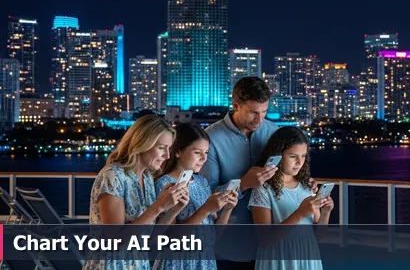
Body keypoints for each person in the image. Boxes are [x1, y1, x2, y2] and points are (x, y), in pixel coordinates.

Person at [84, 115, 190, 270]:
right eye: (161, 148)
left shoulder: (147, 178)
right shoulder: (113, 176)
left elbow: (150, 238)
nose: (167, 156)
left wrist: (174, 210)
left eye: (169, 149)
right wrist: (158, 207)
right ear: (141, 143)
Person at [200, 76, 287, 224]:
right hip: (230, 228)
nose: (260, 119)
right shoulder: (211, 138)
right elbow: (206, 195)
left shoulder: (273, 130)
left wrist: (302, 182)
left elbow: (286, 174)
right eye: (253, 112)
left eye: (264, 111)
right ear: (236, 106)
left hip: (272, 224)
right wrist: (243, 183)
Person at [153, 123, 239, 270]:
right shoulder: (165, 184)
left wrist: (227, 209)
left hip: (205, 261)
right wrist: (205, 210)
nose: (203, 158)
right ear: (178, 151)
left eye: (206, 153)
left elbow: (213, 236)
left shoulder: (201, 181)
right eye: (197, 152)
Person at [249, 126, 334, 270]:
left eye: (303, 156)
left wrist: (326, 212)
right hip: (278, 259)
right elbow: (265, 240)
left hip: (308, 256)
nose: (299, 162)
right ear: (278, 155)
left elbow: (318, 236)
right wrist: (300, 213)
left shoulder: (307, 187)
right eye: (293, 156)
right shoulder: (263, 189)